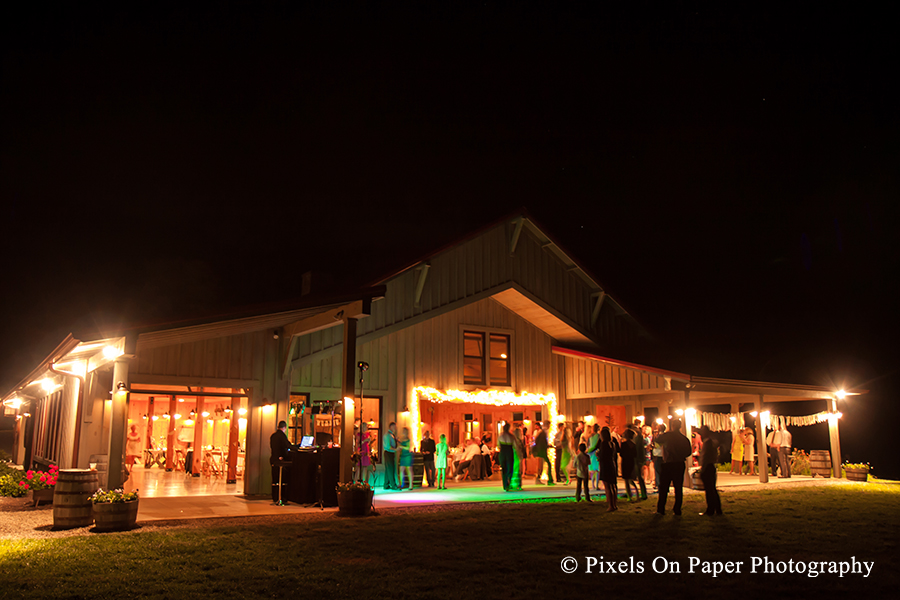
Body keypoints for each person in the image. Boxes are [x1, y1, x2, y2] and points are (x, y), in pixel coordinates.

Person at [655, 418, 692, 516]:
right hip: (679, 463)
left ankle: (661, 509)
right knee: (678, 487)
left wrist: (660, 431)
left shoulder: (668, 436)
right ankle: (677, 509)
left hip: (668, 463)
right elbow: (689, 452)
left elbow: (657, 440)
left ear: (672, 426)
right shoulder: (684, 438)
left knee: (663, 487)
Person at [698, 426, 723, 515]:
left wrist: (702, 468)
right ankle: (717, 509)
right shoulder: (713, 442)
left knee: (709, 489)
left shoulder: (708, 443)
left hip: (708, 467)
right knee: (712, 489)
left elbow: (705, 457)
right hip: (711, 466)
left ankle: (711, 509)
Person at [269, 420, 292, 505]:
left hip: (273, 459)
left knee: (275, 479)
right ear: (285, 428)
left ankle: (275, 497)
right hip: (280, 461)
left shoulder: (273, 436)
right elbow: (288, 445)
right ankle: (282, 498)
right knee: (282, 479)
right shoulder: (282, 436)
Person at [598, 427, 619, 512]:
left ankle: (611, 505)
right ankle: (614, 504)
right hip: (611, 465)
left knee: (607, 486)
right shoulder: (612, 444)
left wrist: (598, 456)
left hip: (606, 465)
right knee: (612, 486)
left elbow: (603, 456)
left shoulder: (604, 444)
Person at [630, 421, 648, 500]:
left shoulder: (638, 438)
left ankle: (642, 493)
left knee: (637, 476)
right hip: (637, 458)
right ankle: (640, 492)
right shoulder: (638, 438)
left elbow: (639, 449)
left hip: (637, 458)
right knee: (636, 476)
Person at [620, 428, 638, 502]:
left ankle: (629, 496)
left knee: (626, 480)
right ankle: (637, 493)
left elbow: (621, 454)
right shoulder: (634, 445)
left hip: (625, 462)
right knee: (631, 479)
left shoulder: (624, 444)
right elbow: (635, 454)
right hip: (631, 462)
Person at [498, 423, 516, 491]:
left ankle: (505, 484)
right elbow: (515, 445)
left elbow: (498, 445)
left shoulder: (500, 436)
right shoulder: (511, 436)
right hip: (509, 451)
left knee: (504, 468)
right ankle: (508, 482)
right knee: (510, 468)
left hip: (502, 452)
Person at [382, 422, 399, 490]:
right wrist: (396, 449)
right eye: (394, 427)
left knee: (388, 469)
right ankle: (393, 485)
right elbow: (388, 447)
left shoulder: (392, 435)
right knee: (391, 469)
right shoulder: (387, 435)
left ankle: (386, 484)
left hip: (391, 453)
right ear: (391, 427)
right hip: (388, 453)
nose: (395, 428)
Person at [652, 423, 666, 490]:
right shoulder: (665, 435)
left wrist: (652, 446)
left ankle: (659, 486)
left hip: (659, 454)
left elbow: (657, 445)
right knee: (662, 471)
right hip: (662, 455)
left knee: (658, 471)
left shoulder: (659, 436)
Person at [587, 424, 601, 491]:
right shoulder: (598, 436)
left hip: (591, 453)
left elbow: (589, 445)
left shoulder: (590, 436)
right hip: (596, 453)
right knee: (597, 471)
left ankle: (593, 485)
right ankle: (597, 485)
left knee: (592, 471)